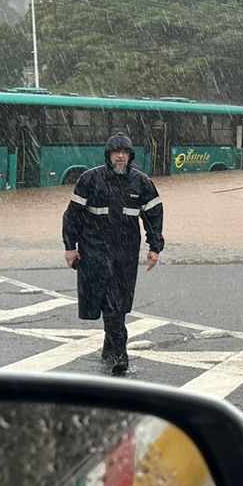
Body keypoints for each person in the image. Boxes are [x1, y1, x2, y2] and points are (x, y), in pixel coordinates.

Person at [62, 132, 165, 374]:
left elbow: (154, 217)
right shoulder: (90, 179)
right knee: (111, 301)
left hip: (126, 254)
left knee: (118, 302)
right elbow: (72, 216)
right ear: (108, 155)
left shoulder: (142, 183)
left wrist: (154, 248)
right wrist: (70, 246)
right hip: (94, 252)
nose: (121, 156)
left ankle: (110, 347)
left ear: (130, 156)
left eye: (125, 152)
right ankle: (120, 356)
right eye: (116, 152)